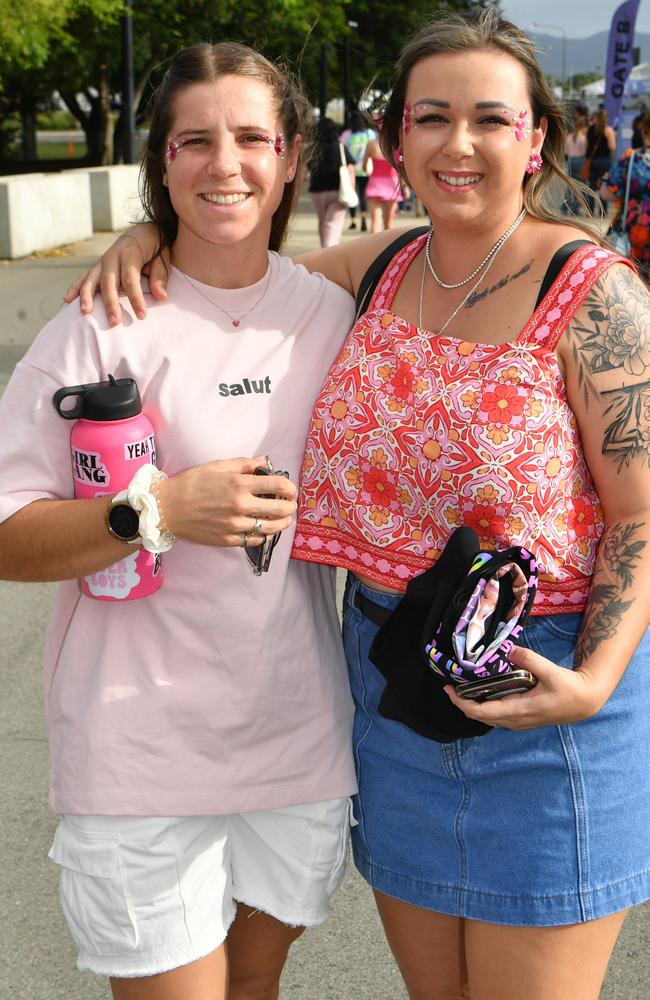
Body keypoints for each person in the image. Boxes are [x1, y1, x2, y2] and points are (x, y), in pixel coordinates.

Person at [69, 10, 650, 1000]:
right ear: (395, 140)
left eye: (486, 119)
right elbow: (228, 267)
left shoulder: (591, 294)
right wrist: (147, 231)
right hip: (389, 689)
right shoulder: (376, 272)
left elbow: (639, 515)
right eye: (429, 118)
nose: (455, 144)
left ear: (533, 137)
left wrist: (593, 677)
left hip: (543, 692)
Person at [0, 42, 358, 1000]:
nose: (224, 163)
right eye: (194, 140)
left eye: (250, 138)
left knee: (255, 987)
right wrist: (150, 512)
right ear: (162, 162)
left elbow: (459, 251)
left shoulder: (333, 314)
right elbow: (7, 531)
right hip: (139, 753)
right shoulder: (101, 320)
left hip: (296, 740)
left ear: (290, 159)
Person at [601, 110, 650, 280]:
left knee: (633, 285)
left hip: (635, 232)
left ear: (643, 130)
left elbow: (606, 193)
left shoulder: (632, 159)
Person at [308, 115, 356, 247]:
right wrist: (352, 188)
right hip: (338, 190)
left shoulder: (313, 149)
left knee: (323, 220)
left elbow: (304, 170)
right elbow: (351, 169)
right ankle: (329, 250)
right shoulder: (340, 148)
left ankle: (325, 248)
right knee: (332, 223)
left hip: (317, 190)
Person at [341, 109, 376, 231]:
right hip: (366, 169)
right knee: (363, 195)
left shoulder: (346, 135)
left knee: (352, 194)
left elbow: (343, 152)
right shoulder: (369, 134)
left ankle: (353, 219)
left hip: (351, 170)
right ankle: (364, 217)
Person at [362, 135, 405, 232]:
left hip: (375, 183)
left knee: (375, 221)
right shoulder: (394, 145)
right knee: (388, 224)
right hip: (391, 185)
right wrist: (404, 186)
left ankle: (373, 247)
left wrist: (370, 173)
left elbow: (364, 166)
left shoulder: (371, 144)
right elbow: (400, 169)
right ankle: (388, 247)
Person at [585, 107, 616, 203]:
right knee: (604, 184)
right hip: (605, 160)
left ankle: (590, 209)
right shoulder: (608, 130)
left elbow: (587, 145)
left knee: (592, 184)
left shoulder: (590, 130)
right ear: (606, 118)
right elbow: (612, 147)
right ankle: (603, 210)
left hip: (593, 161)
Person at [563, 103, 588, 214]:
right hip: (580, 161)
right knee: (580, 186)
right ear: (583, 127)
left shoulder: (569, 137)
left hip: (571, 160)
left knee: (570, 185)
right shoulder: (583, 138)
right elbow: (585, 151)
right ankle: (575, 209)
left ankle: (564, 207)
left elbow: (566, 151)